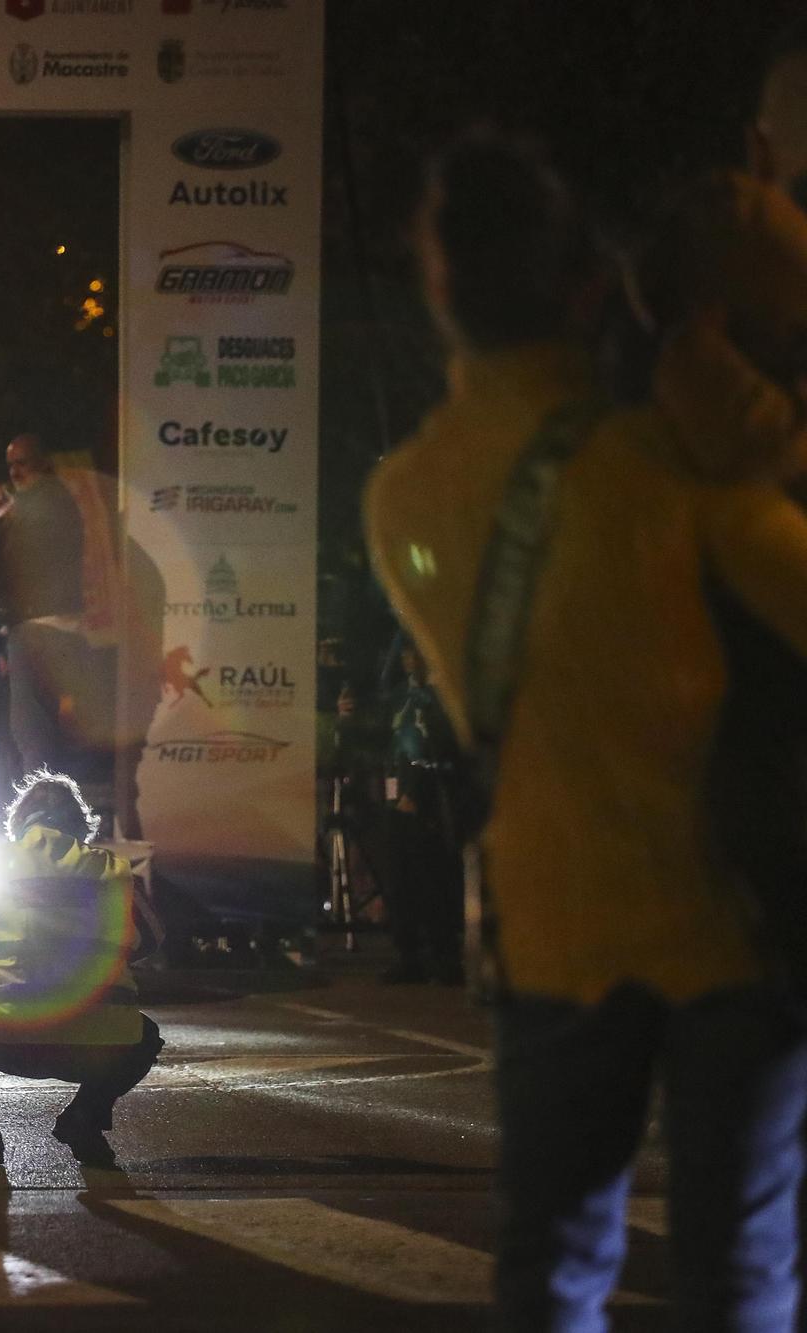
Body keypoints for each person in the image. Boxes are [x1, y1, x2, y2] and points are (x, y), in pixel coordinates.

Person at [365, 133, 807, 1328]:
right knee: (736, 1273)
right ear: (587, 290)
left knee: (550, 1263)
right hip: (736, 920)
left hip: (550, 926)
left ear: (442, 295)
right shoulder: (658, 462)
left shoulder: (402, 490)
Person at [0, 769, 163, 1170]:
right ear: (82, 827)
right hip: (98, 1051)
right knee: (145, 1034)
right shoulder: (114, 871)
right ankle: (85, 1118)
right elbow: (151, 939)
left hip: (6, 1036)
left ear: (17, 824)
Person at [0, 435, 85, 776]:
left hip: (41, 624)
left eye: (22, 462)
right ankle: (47, 800)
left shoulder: (48, 500)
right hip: (38, 624)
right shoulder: (39, 501)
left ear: (41, 462)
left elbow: (9, 554)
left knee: (29, 728)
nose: (15, 472)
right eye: (10, 465)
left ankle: (40, 806)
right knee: (35, 727)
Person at [375, 644, 463, 985]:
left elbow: (441, 746)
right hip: (395, 795)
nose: (409, 659)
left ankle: (444, 955)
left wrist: (419, 791)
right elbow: (387, 738)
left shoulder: (440, 697)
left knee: (433, 879)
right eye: (407, 653)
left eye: (416, 652)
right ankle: (408, 955)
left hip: (427, 800)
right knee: (401, 879)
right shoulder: (401, 696)